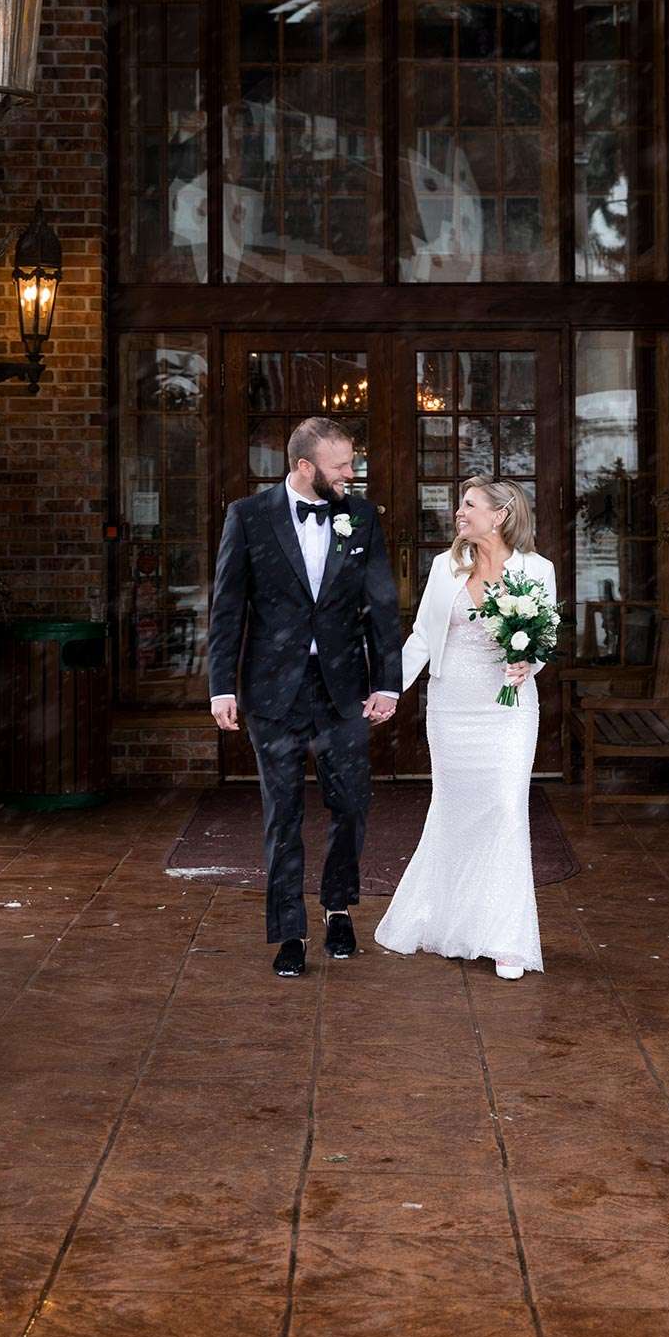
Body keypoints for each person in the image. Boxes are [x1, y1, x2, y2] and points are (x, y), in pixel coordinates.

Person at [208, 417, 401, 977]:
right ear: (304, 467)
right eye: (342, 466)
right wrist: (221, 686)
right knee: (282, 812)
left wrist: (386, 681)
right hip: (273, 690)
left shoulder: (360, 516)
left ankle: (338, 908)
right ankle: (288, 931)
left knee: (350, 805)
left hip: (343, 686)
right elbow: (228, 607)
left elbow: (381, 606)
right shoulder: (248, 516)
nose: (352, 474)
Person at [375, 477, 555, 980]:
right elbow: (423, 636)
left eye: (469, 504)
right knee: (454, 811)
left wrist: (529, 665)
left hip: (509, 709)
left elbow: (545, 637)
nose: (459, 512)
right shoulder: (446, 566)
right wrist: (392, 689)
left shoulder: (537, 570)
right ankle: (449, 921)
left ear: (499, 515)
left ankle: (505, 938)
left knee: (504, 809)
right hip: (453, 707)